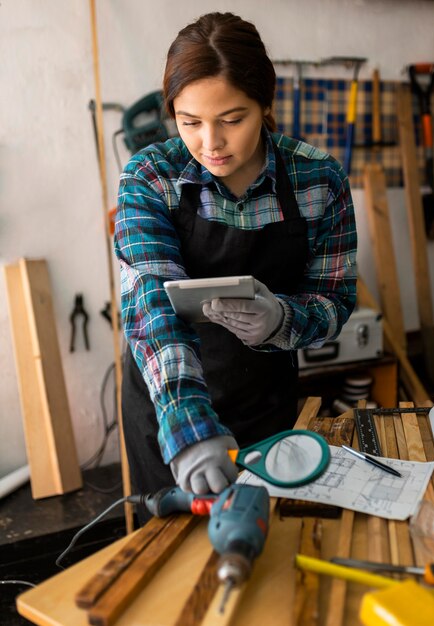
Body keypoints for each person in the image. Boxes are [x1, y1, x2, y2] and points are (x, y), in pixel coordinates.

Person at [114, 11, 357, 520]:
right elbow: (151, 303)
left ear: (266, 105)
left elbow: (336, 298)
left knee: (264, 548)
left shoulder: (319, 180)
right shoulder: (150, 177)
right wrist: (188, 426)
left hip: (265, 402)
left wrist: (284, 320)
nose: (210, 143)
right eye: (189, 123)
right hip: (170, 403)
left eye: (232, 119)